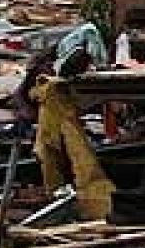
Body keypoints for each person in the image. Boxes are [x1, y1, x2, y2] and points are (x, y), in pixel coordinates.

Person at [14, 24, 115, 221]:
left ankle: (59, 196)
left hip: (54, 125)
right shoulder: (47, 78)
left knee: (57, 157)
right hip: (50, 125)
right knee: (58, 157)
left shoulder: (55, 79)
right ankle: (60, 198)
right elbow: (23, 98)